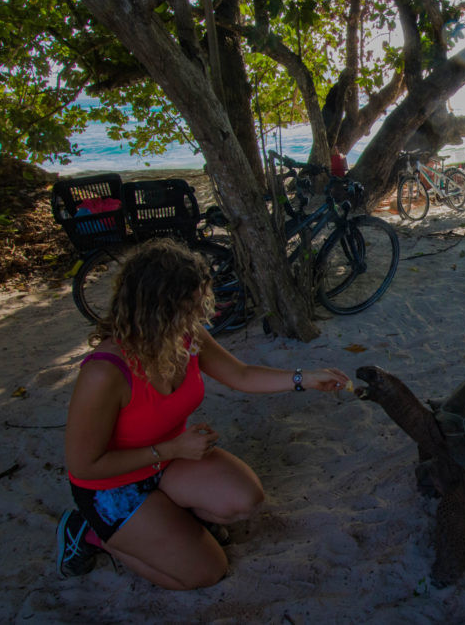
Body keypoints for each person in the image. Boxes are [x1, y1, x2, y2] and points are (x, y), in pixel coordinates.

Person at [55, 238, 350, 590]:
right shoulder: (105, 372)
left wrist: (305, 378)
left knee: (244, 500)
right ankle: (89, 534)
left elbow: (240, 375)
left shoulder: (184, 336)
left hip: (168, 459)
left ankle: (167, 518)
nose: (200, 316)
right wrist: (171, 450)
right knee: (206, 571)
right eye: (189, 308)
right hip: (112, 486)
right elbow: (84, 466)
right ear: (155, 311)